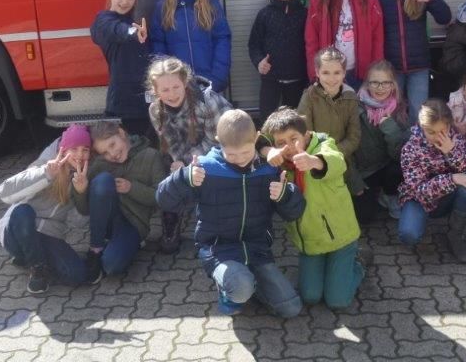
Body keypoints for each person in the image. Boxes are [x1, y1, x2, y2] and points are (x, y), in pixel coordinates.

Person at [156, 110, 306, 317]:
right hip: (219, 250)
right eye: (232, 155)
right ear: (219, 141)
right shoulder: (205, 169)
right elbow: (164, 200)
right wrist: (183, 177)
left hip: (257, 251)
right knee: (240, 288)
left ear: (256, 139)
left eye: (245, 153)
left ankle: (251, 284)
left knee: (291, 308)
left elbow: (294, 213)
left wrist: (285, 195)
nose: (240, 160)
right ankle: (231, 289)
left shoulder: (268, 170)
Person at [261, 107, 364, 310]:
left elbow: (337, 161)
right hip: (310, 243)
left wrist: (314, 162)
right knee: (310, 296)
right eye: (281, 143)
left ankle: (359, 264)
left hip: (340, 239)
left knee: (337, 301)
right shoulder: (280, 164)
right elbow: (256, 138)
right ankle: (331, 270)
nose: (289, 147)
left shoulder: (324, 145)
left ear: (306, 135)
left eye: (294, 139)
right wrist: (267, 151)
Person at [0, 124, 96, 293]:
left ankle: (32, 258)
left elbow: (78, 223)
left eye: (85, 150)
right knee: (23, 211)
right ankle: (37, 269)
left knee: (77, 275)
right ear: (63, 150)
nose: (80, 155)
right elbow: (4, 192)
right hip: (19, 230)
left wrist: (81, 193)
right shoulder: (45, 164)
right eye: (74, 149)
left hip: (48, 235)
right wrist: (45, 174)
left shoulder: (83, 177)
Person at [147, 56, 233, 253]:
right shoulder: (155, 110)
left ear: (185, 82)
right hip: (186, 154)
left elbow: (216, 141)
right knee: (166, 172)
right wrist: (179, 163)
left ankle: (219, 224)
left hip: (222, 149)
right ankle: (171, 219)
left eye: (176, 87)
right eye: (165, 90)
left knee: (214, 176)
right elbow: (170, 142)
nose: (171, 94)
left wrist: (186, 162)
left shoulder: (208, 102)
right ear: (155, 91)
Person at [71, 120, 168, 279]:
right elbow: (84, 210)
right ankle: (95, 249)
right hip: (106, 221)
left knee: (111, 266)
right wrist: (80, 191)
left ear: (122, 133)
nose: (112, 154)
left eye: (112, 144)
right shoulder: (100, 164)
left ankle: (121, 246)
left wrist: (132, 188)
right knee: (103, 180)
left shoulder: (151, 156)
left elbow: (162, 197)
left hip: (133, 224)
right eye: (105, 153)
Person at [398, 99, 466, 262]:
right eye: (431, 132)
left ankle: (455, 234)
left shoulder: (456, 140)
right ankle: (417, 220)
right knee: (409, 235)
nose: (438, 137)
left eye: (442, 131)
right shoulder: (410, 148)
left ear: (449, 126)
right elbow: (419, 191)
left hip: (447, 197)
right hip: (419, 200)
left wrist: (452, 152)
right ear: (422, 127)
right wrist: (452, 178)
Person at [375, 0, 451, 120]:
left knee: (418, 113)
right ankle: (399, 140)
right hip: (392, 67)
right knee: (394, 112)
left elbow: (445, 17)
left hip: (419, 66)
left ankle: (416, 139)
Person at [305, 0, 384, 90]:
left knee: (359, 105)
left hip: (360, 74)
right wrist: (315, 75)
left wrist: (376, 73)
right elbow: (311, 41)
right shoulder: (319, 0)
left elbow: (377, 38)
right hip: (330, 74)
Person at [150, 0, 232, 92]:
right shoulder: (163, 7)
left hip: (209, 82)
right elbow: (158, 45)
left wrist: (218, 77)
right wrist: (169, 79)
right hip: (177, 86)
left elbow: (222, 39)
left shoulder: (210, 4)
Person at [298, 47, 365, 198]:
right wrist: (321, 157)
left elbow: (354, 137)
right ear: (317, 73)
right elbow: (305, 134)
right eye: (326, 73)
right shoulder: (309, 97)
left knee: (360, 203)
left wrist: (333, 154)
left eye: (337, 73)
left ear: (344, 73)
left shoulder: (350, 97)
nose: (332, 78)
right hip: (315, 158)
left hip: (343, 157)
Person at [91, 0, 152, 136]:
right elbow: (116, 30)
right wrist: (133, 32)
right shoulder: (103, 20)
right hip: (123, 103)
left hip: (143, 101)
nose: (125, 2)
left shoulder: (133, 22)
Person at [248, 0, 309, 116]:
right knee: (267, 123)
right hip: (271, 82)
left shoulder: (305, 15)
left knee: (295, 123)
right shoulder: (264, 15)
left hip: (298, 82)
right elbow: (253, 45)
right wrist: (259, 62)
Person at [354, 60, 411, 221]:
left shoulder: (399, 107)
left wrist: (390, 128)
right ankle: (375, 194)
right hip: (365, 170)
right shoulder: (355, 107)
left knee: (397, 170)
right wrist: (355, 181)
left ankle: (389, 195)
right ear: (367, 84)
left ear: (393, 85)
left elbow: (400, 155)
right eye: (375, 82)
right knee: (364, 217)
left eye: (386, 83)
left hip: (388, 166)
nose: (380, 88)